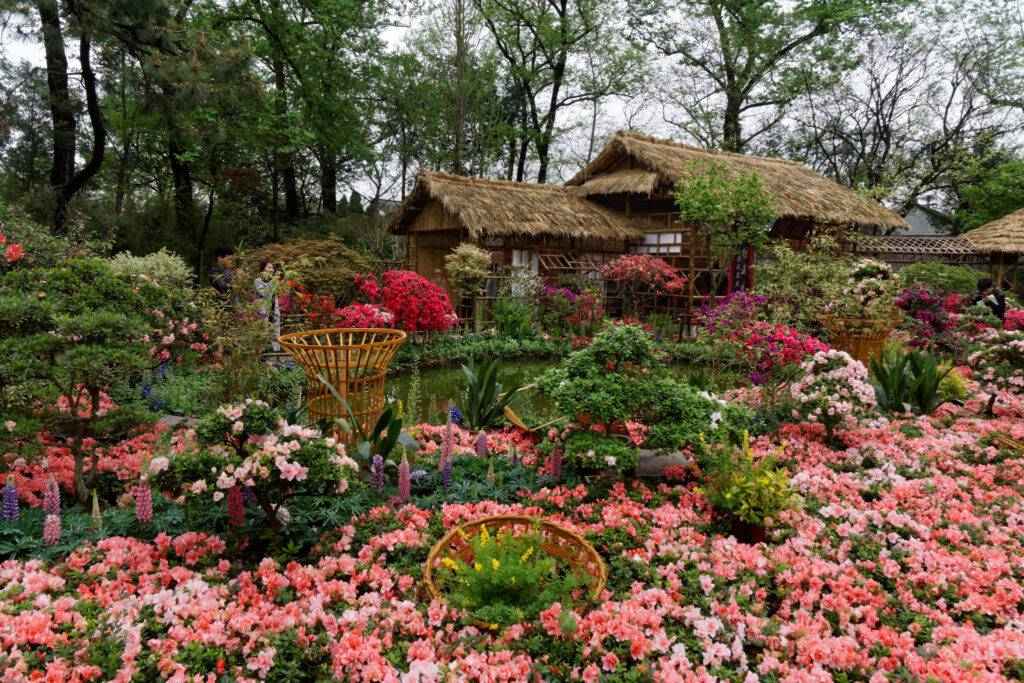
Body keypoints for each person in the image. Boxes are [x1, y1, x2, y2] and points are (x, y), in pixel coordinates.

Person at [254, 260, 282, 351]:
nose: (271, 270)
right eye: (269, 268)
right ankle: (262, 357)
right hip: (263, 312)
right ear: (263, 269)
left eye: (272, 268)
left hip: (273, 310)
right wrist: (273, 282)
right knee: (263, 332)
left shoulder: (274, 281)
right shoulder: (257, 281)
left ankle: (273, 357)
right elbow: (264, 293)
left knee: (274, 332)